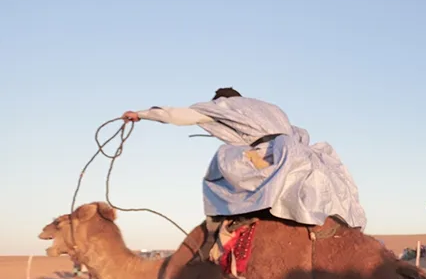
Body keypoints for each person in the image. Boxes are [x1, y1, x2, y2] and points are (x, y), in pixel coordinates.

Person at [122, 88, 366, 259]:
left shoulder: (225, 106)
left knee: (223, 161)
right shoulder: (268, 108)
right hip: (296, 154)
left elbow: (176, 115)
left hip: (271, 155)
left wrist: (141, 114)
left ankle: (232, 218)